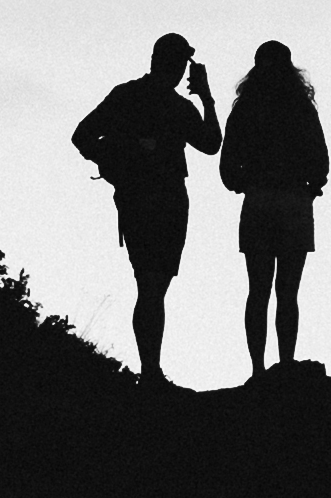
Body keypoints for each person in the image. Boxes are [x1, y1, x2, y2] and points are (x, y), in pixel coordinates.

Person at [71, 33, 221, 383]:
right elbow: (212, 143)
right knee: (153, 287)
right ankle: (151, 372)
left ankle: (151, 370)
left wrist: (116, 163)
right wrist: (207, 97)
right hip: (162, 201)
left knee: (150, 286)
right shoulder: (174, 106)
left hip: (141, 199)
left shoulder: (128, 95)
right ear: (177, 64)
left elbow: (83, 137)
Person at [216, 41, 327, 377]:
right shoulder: (302, 108)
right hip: (294, 202)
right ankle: (286, 363)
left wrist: (243, 183)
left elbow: (226, 167)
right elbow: (320, 161)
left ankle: (258, 370)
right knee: (288, 292)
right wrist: (310, 186)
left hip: (259, 202)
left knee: (258, 291)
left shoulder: (245, 109)